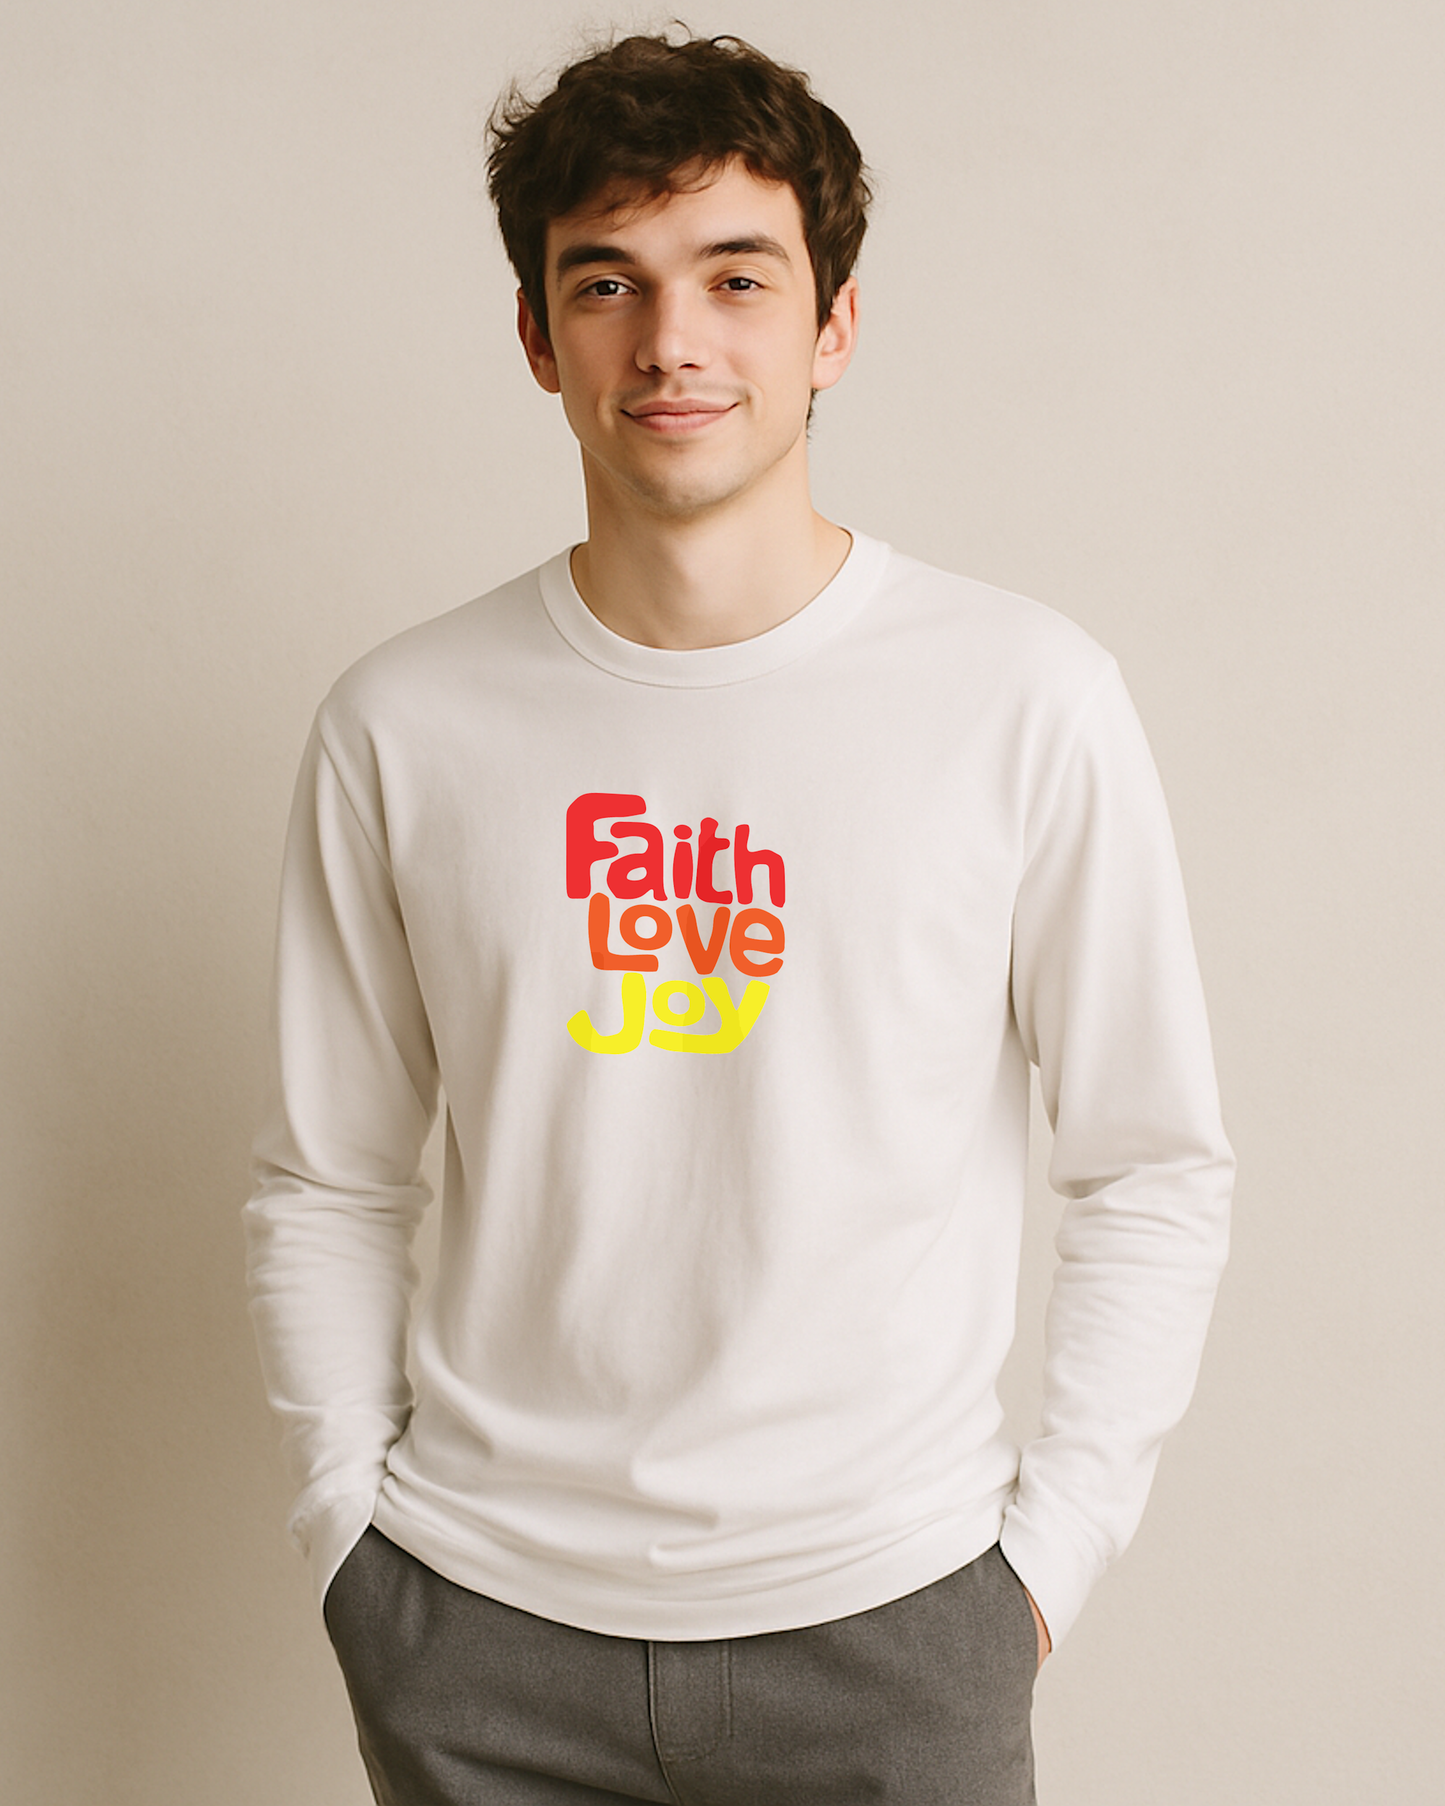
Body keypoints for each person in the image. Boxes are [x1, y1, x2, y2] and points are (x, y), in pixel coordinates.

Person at [244, 28, 1233, 1806]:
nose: (672, 340)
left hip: (892, 1626)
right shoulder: (402, 724)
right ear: (540, 339)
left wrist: (1042, 1563)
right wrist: (350, 1541)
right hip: (477, 1632)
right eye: (606, 281)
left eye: (736, 276)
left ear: (832, 325)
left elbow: (1154, 1159)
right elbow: (328, 1172)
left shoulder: (1023, 697)